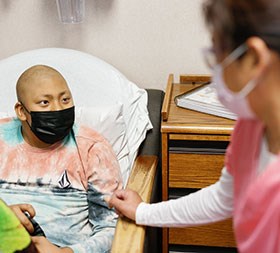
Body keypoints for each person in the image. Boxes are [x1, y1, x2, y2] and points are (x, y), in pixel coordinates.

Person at [107, 0, 280, 252]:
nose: (216, 73)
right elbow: (224, 196)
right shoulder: (252, 126)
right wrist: (143, 212)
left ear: (254, 57)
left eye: (219, 58)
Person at [0, 65, 123, 252]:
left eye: (65, 99)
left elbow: (112, 227)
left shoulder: (91, 149)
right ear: (21, 111)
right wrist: (4, 217)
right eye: (44, 103)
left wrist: (68, 252)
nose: (58, 109)